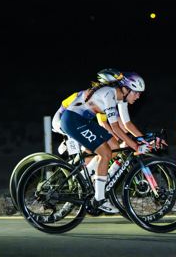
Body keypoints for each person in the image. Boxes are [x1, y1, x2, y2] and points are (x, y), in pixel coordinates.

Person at [60, 70, 149, 213]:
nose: (138, 97)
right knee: (106, 152)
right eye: (136, 93)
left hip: (84, 120)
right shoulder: (110, 94)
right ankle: (99, 198)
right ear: (126, 90)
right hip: (72, 120)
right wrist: (136, 146)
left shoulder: (121, 98)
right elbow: (115, 127)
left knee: (114, 146)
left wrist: (145, 141)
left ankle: (90, 177)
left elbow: (127, 125)